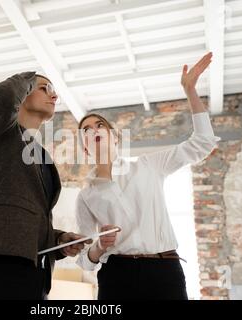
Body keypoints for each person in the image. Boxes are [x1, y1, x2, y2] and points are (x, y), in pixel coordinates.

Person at [75, 52, 220, 300]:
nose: (93, 130)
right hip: (116, 278)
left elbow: (203, 143)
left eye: (100, 125)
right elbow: (86, 260)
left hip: (165, 272)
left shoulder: (149, 166)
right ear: (85, 147)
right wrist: (100, 245)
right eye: (86, 130)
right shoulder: (86, 196)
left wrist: (190, 90)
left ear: (116, 137)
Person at [0, 71, 91, 300]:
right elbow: (2, 95)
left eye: (54, 91)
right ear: (24, 92)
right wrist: (32, 76)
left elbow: (31, 217)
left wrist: (58, 240)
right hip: (0, 268)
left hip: (36, 274)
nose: (54, 96)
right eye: (44, 88)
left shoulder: (39, 156)